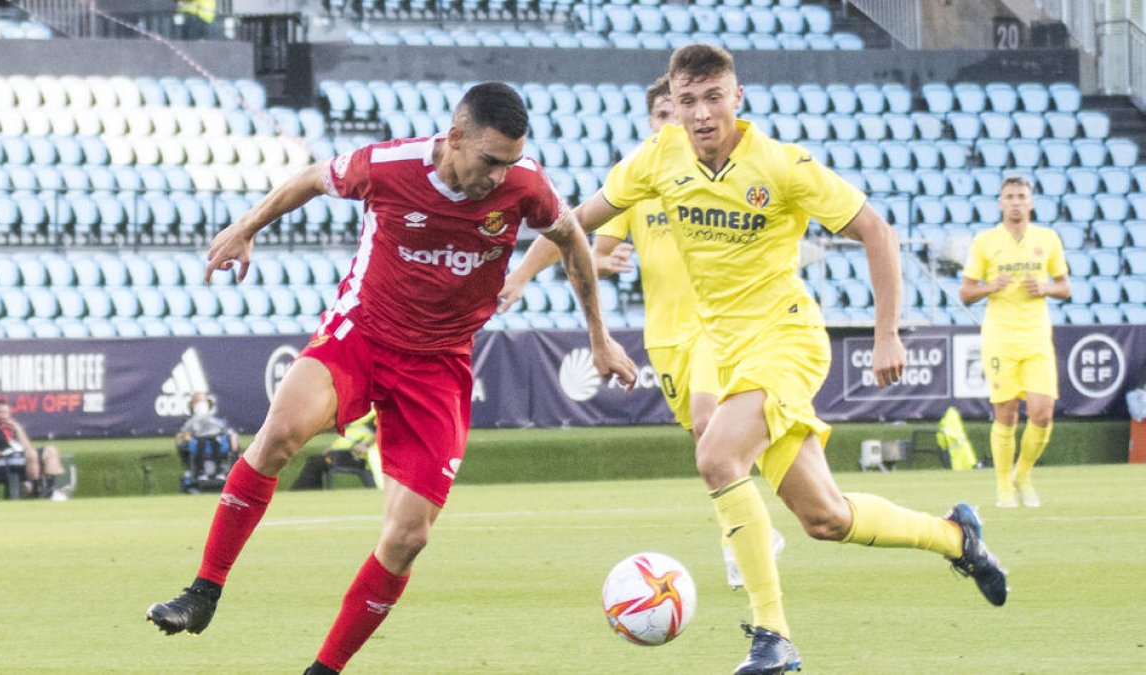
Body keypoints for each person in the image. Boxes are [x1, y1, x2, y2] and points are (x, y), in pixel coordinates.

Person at [506, 44, 1008, 674]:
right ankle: (958, 537)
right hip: (726, 347)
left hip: (787, 340)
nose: (700, 114)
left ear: (736, 98)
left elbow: (876, 230)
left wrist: (887, 334)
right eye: (687, 101)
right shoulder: (660, 157)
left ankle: (774, 638)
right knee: (825, 518)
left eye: (713, 97)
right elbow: (575, 221)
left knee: (716, 454)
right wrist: (521, 274)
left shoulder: (781, 165)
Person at [145, 81, 638, 674]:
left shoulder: (525, 185)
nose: (499, 176)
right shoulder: (387, 166)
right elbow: (307, 179)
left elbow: (572, 240)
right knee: (278, 435)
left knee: (408, 537)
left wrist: (599, 336)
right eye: (489, 161)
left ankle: (324, 670)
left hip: (440, 364)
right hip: (363, 334)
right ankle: (203, 591)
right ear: (455, 137)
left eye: (509, 163)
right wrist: (247, 227)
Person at [500, 75, 782, 588]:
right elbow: (581, 236)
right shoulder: (642, 182)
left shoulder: (725, 176)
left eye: (679, 111)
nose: (673, 121)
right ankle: (752, 528)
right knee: (707, 441)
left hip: (719, 326)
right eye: (662, 114)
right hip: (666, 334)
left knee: (707, 420)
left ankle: (738, 541)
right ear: (651, 122)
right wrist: (524, 275)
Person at [960, 175, 1070, 508]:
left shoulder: (1047, 239)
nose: (1016, 201)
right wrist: (990, 286)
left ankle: (1023, 474)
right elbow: (965, 293)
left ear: (1031, 202)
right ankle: (1003, 486)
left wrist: (1046, 288)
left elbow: (1065, 287)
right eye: (1009, 196)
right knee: (1005, 414)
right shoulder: (985, 241)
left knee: (1042, 412)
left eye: (1022, 195)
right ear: (1000, 203)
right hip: (1000, 337)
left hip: (1036, 336)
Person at [0, 399, 69, 501]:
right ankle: (36, 491)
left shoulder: (11, 427)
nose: (2, 415)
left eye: (5, 412)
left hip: (22, 458)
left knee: (51, 450)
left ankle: (50, 491)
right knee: (32, 454)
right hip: (1, 461)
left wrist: (18, 429)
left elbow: (27, 447)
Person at [174, 392, 240, 492]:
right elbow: (183, 435)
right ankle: (201, 473)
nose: (201, 404)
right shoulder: (191, 422)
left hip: (216, 441)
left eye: (203, 401)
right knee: (202, 442)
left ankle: (219, 472)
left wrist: (233, 439)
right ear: (193, 405)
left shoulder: (216, 421)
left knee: (216, 441)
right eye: (198, 402)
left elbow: (228, 431)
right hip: (199, 442)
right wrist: (185, 438)